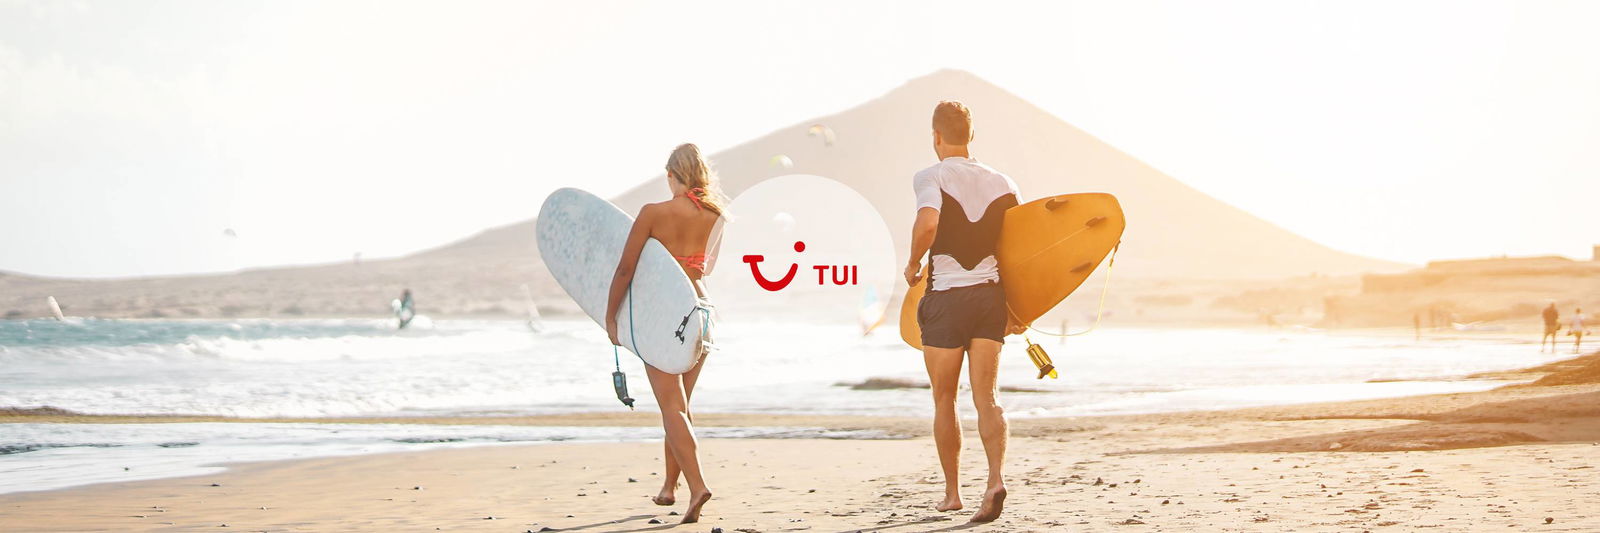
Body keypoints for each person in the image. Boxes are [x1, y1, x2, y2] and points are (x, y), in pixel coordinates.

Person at [902, 100, 1023, 523]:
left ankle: (952, 493)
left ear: (936, 136)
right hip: (990, 296)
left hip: (947, 299)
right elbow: (1020, 247)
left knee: (945, 397)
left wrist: (914, 261)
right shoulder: (1003, 181)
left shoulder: (930, 175)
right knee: (987, 397)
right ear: (972, 135)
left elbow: (929, 224)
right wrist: (1020, 305)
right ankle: (994, 480)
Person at [604, 143, 724, 524]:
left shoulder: (653, 213)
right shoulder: (717, 216)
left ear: (672, 175)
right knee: (680, 406)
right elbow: (706, 269)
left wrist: (610, 318)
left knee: (671, 407)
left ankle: (697, 486)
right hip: (702, 311)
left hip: (665, 317)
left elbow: (625, 270)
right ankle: (670, 486)